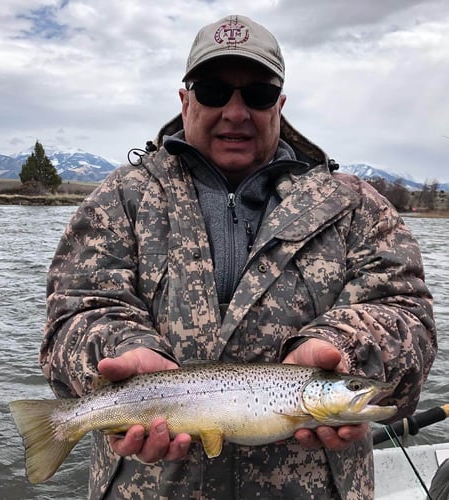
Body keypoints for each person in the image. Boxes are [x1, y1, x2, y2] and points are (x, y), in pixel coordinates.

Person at [40, 14, 437, 499]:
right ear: (185, 100)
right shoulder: (119, 200)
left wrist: (348, 349)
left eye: (257, 94)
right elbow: (73, 313)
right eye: (212, 90)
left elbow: (407, 315)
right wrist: (118, 354)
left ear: (280, 106)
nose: (235, 111)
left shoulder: (355, 207)